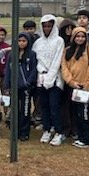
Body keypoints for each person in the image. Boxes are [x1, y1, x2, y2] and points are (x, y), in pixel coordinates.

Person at [60, 26, 89, 148]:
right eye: (77, 36)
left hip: (85, 87)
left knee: (84, 114)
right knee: (76, 113)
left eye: (82, 36)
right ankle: (79, 136)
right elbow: (64, 67)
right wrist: (70, 81)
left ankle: (86, 139)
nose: (80, 39)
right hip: (73, 86)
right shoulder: (68, 50)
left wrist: (88, 84)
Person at [33, 14, 65, 145]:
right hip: (41, 77)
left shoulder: (59, 41)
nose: (47, 28)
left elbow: (57, 60)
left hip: (55, 78)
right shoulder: (38, 43)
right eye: (45, 26)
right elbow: (35, 59)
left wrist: (50, 78)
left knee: (54, 106)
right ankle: (46, 129)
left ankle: (58, 131)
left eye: (49, 26)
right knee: (44, 106)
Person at [2, 32, 37, 141]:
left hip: (26, 87)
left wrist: (28, 82)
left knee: (25, 110)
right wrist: (6, 85)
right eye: (19, 41)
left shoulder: (32, 54)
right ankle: (15, 131)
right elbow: (8, 70)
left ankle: (24, 132)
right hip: (14, 87)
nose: (21, 43)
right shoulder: (12, 54)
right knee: (14, 110)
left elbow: (34, 70)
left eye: (24, 41)